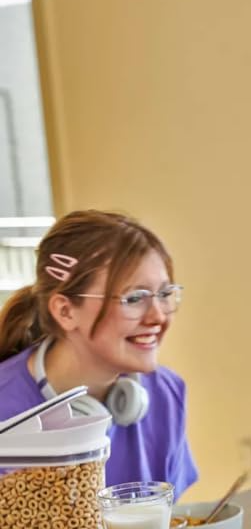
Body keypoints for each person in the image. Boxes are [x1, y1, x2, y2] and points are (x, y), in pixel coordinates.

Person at [0, 209, 197, 496]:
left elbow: (172, 521)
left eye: (165, 294)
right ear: (66, 311)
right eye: (134, 298)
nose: (158, 316)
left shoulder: (165, 392)